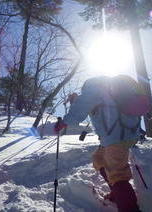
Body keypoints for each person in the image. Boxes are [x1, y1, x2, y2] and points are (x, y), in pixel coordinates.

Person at [54, 76, 142, 212]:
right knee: (98, 158)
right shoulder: (108, 92)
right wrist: (76, 100)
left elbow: (80, 109)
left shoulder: (94, 89)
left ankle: (129, 207)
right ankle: (117, 193)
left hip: (116, 138)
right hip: (118, 136)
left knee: (117, 173)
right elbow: (89, 105)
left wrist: (63, 122)